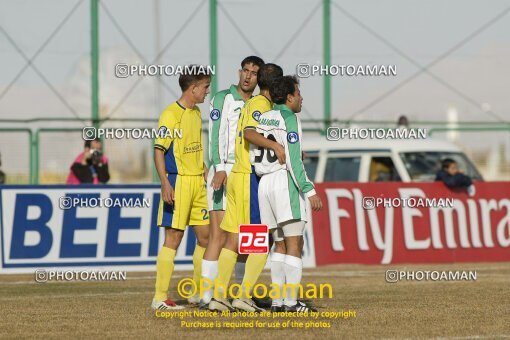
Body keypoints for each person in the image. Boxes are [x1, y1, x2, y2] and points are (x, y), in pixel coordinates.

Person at [210, 63, 285, 312]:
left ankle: (219, 296)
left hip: (239, 177)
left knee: (233, 239)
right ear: (274, 84)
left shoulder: (256, 104)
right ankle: (243, 295)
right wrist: (275, 147)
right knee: (261, 241)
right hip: (246, 178)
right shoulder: (260, 105)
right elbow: (250, 133)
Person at [253, 75, 322, 312]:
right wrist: (309, 189)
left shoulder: (263, 117)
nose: (302, 98)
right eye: (299, 93)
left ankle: (278, 301)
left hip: (264, 183)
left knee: (279, 245)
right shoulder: (289, 118)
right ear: (290, 97)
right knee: (295, 243)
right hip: (284, 181)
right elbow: (293, 159)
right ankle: (291, 303)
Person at [201, 56, 265, 306]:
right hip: (224, 172)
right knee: (219, 236)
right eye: (245, 71)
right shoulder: (222, 99)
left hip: (247, 174)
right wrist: (218, 168)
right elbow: (215, 135)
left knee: (244, 237)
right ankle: (209, 296)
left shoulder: (260, 104)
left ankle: (239, 294)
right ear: (239, 72)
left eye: (254, 73)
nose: (248, 76)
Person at [151, 66, 211, 310]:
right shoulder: (170, 114)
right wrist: (165, 183)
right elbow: (158, 151)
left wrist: (205, 170)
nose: (208, 91)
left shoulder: (196, 113)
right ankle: (159, 298)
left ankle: (197, 293)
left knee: (206, 238)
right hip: (178, 182)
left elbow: (194, 147)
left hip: (198, 183)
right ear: (193, 88)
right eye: (205, 87)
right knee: (173, 238)